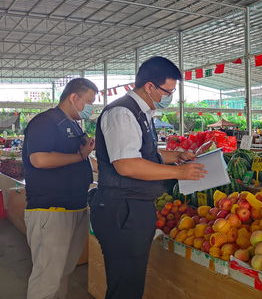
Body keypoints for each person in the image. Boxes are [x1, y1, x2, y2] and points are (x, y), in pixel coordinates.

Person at [90, 56, 206, 299]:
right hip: (122, 209)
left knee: (131, 280)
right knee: (125, 284)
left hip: (133, 207)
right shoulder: (122, 113)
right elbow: (126, 165)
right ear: (150, 87)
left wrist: (175, 156)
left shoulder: (142, 113)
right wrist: (179, 172)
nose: (170, 97)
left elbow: (144, 154)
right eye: (168, 91)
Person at [22, 78, 98, 299]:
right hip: (51, 210)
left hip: (76, 208)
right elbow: (40, 159)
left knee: (62, 272)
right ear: (74, 98)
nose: (90, 108)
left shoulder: (74, 125)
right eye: (89, 102)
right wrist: (78, 156)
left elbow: (86, 160)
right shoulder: (45, 122)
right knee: (47, 277)